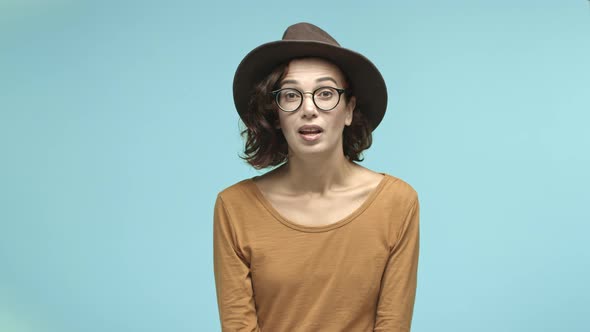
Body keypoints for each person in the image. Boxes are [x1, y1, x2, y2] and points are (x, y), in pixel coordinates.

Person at [213, 22, 420, 332]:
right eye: (291, 95)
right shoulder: (234, 207)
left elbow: (393, 325)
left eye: (325, 93)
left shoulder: (397, 203)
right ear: (276, 113)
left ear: (349, 110)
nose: (308, 109)